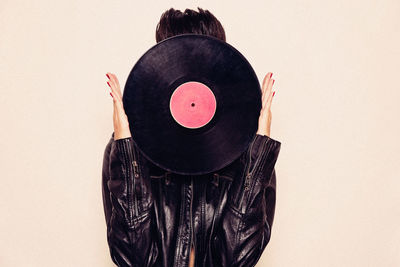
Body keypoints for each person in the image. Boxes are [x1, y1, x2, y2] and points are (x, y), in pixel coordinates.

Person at [102, 7, 281, 267]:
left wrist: (259, 148)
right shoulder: (125, 149)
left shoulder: (250, 151)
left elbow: (236, 260)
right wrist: (127, 148)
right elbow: (133, 259)